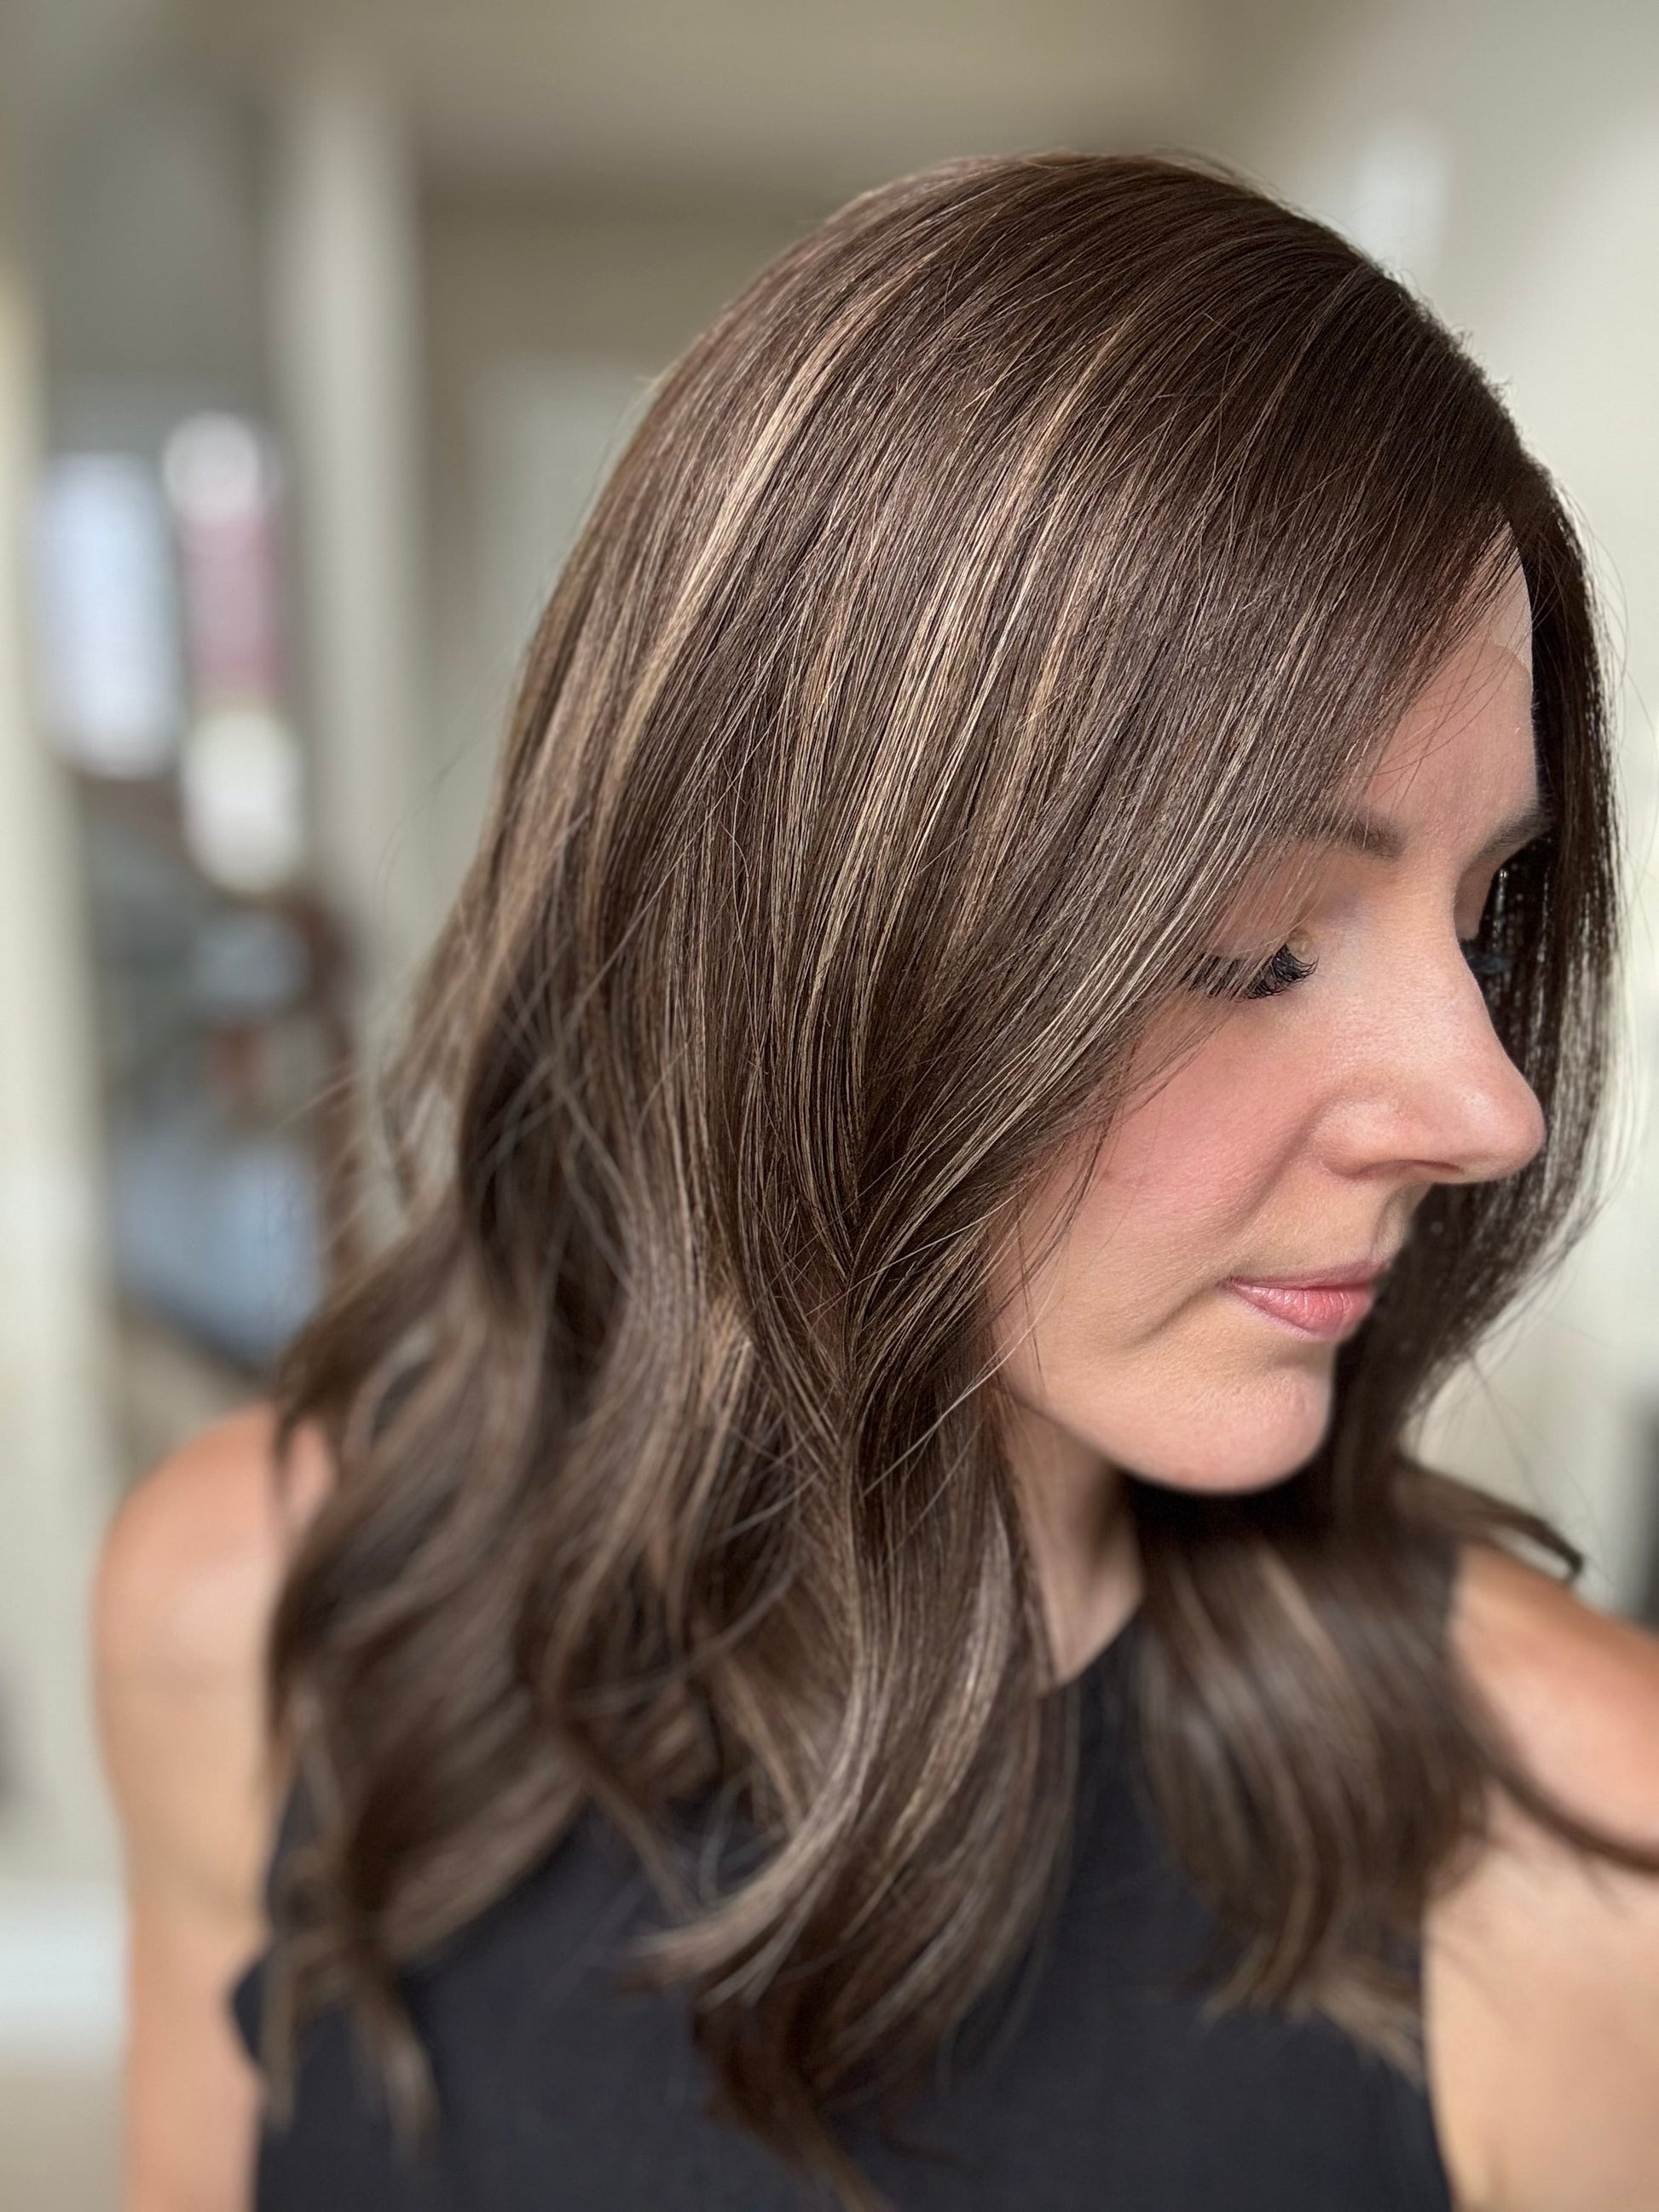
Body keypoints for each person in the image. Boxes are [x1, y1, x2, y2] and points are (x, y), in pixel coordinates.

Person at [95, 152, 1659, 2212]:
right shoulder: (255, 1618)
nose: (1488, 1107)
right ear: (806, 938)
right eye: (1268, 942)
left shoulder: (1578, 1854)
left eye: (1483, 910)